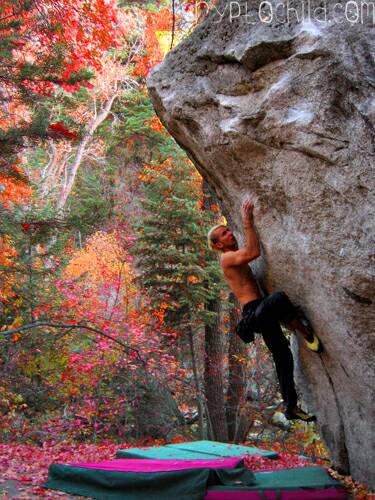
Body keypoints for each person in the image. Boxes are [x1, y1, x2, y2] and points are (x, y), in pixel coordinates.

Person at [207, 199, 322, 422]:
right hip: (254, 313)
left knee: (283, 356)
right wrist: (247, 221)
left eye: (229, 230)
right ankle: (306, 333)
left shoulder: (231, 255)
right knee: (277, 298)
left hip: (262, 312)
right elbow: (253, 252)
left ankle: (291, 407)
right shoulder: (227, 258)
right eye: (224, 234)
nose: (230, 234)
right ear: (219, 245)